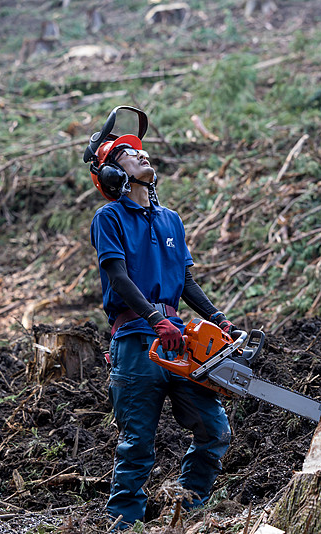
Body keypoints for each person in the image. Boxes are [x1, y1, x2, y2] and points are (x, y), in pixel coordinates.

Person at [87, 122, 238, 529]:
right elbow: (117, 276)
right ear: (112, 175)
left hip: (181, 343)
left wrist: (219, 319)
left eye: (141, 151)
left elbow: (186, 281)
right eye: (127, 154)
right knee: (136, 444)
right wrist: (154, 318)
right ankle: (124, 523)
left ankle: (186, 511)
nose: (141, 155)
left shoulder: (171, 220)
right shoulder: (109, 218)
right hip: (138, 342)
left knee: (215, 430)